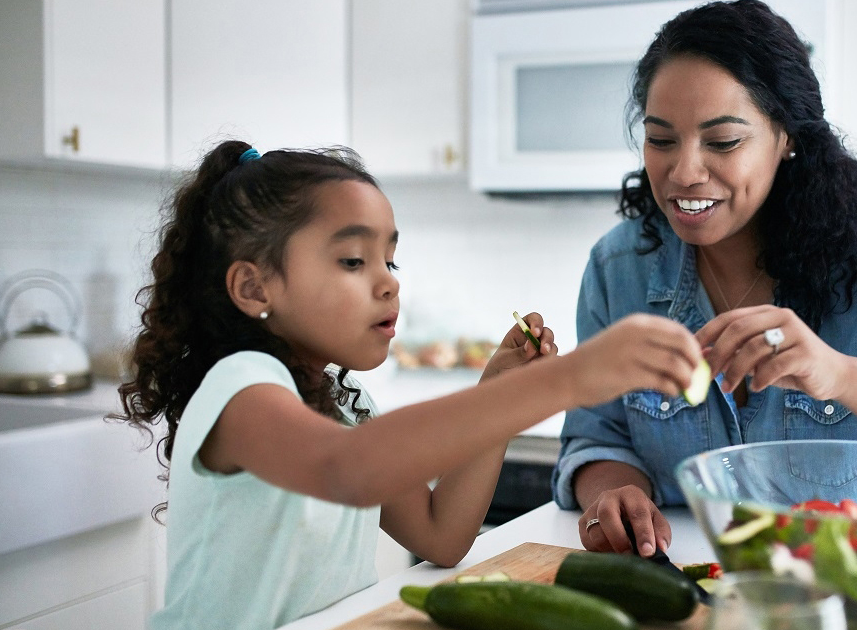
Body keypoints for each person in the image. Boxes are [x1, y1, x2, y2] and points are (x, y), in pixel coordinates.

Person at [114, 140, 704, 630]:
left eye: (390, 262)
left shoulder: (344, 403)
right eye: (353, 261)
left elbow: (440, 535)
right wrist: (566, 379)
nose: (388, 284)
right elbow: (345, 469)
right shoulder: (241, 386)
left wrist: (491, 394)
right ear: (254, 288)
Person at [551, 0, 857, 559]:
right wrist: (616, 490)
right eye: (661, 139)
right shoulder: (617, 268)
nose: (684, 172)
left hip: (855, 594)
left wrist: (841, 375)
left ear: (787, 136)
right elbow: (597, 436)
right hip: (685, 590)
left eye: (722, 142)